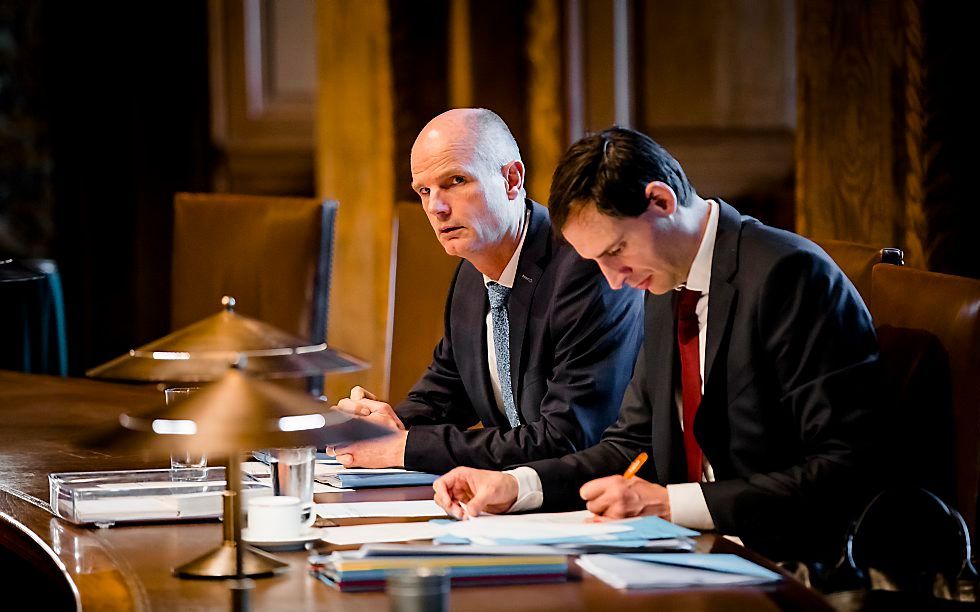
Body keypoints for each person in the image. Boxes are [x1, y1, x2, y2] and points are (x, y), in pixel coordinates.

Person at [432, 127, 881, 561]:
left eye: (615, 252)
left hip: (786, 557)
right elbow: (631, 443)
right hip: (685, 552)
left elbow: (844, 470)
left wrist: (670, 505)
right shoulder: (663, 282)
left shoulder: (788, 276)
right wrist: (519, 486)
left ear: (661, 201)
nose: (613, 279)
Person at [327, 110, 644, 474]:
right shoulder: (469, 275)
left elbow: (566, 437)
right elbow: (442, 396)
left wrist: (403, 448)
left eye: (456, 181)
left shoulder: (584, 266)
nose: (436, 207)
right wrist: (374, 426)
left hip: (597, 499)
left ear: (512, 179)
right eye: (424, 191)